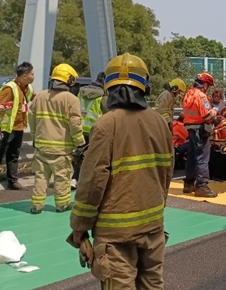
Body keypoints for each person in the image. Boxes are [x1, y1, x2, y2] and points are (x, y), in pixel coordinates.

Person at [70, 53, 174, 289]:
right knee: (152, 285)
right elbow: (167, 172)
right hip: (154, 228)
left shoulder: (107, 123)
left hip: (116, 235)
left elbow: (92, 181)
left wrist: (79, 226)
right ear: (144, 86)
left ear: (109, 87)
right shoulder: (159, 122)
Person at [28, 64, 85, 213]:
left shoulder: (39, 97)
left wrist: (35, 138)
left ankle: (36, 206)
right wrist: (80, 143)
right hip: (61, 150)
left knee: (40, 178)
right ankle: (62, 205)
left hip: (41, 148)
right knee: (62, 178)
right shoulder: (71, 100)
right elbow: (75, 124)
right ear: (69, 80)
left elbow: (32, 120)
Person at [182, 72, 218, 198]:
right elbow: (207, 115)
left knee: (192, 157)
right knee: (202, 158)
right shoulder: (201, 96)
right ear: (205, 85)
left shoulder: (188, 94)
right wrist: (214, 111)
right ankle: (201, 186)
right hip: (200, 130)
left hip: (190, 129)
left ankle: (189, 184)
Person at [0, 61, 35, 190]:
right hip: (6, 128)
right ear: (25, 75)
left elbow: (36, 99)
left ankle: (12, 181)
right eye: (32, 74)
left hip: (19, 127)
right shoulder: (10, 88)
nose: (33, 76)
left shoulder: (29, 88)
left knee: (13, 154)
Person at [73, 72, 106, 189]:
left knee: (78, 155)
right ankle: (88, 181)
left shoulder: (81, 92)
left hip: (80, 127)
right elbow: (107, 113)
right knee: (92, 157)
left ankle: (74, 179)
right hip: (94, 130)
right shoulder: (103, 96)